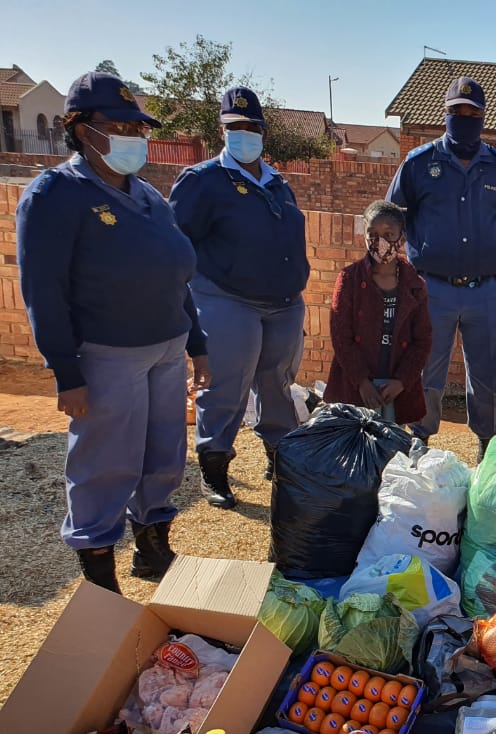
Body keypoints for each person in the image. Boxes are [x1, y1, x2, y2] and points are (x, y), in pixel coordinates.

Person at [15, 72, 210, 592]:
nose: (133, 135)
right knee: (106, 462)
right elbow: (43, 291)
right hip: (108, 355)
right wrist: (66, 372)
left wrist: (197, 345)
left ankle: (152, 547)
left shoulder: (147, 195)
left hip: (166, 347)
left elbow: (176, 277)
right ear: (82, 130)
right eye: (119, 124)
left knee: (163, 453)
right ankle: (101, 576)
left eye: (137, 126)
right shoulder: (56, 195)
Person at [169, 87, 310, 508]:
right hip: (228, 298)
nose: (244, 134)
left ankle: (278, 459)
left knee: (278, 383)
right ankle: (214, 469)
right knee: (227, 384)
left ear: (263, 131)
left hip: (283, 302)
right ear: (222, 131)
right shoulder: (202, 181)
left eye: (251, 127)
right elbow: (177, 245)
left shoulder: (277, 183)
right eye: (235, 127)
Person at [386, 76, 496, 460]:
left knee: (485, 373)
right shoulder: (419, 163)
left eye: (472, 112)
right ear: (444, 115)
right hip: (433, 288)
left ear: (482, 117)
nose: (464, 118)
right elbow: (394, 215)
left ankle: (486, 442)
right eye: (456, 112)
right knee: (427, 369)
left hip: (483, 290)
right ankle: (421, 436)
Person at [322, 200, 432, 424]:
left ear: (401, 238)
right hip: (357, 385)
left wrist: (401, 382)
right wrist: (361, 382)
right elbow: (341, 337)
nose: (380, 243)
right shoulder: (350, 280)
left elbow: (422, 340)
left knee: (392, 449)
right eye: (372, 234)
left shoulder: (414, 284)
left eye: (389, 234)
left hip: (395, 385)